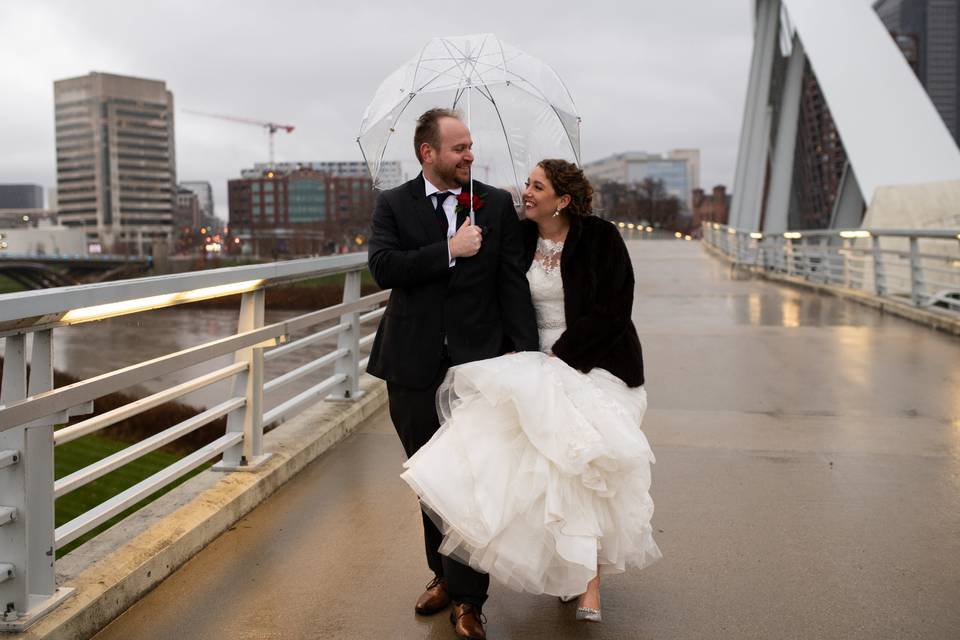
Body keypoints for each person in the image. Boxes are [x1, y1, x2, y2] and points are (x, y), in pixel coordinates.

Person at [401, 159, 661, 625]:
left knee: (579, 464)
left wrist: (563, 356)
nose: (526, 192)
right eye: (527, 183)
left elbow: (615, 308)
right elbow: (497, 296)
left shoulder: (601, 237)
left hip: (594, 361)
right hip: (530, 359)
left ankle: (589, 582)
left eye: (536, 186)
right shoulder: (518, 237)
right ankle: (524, 574)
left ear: (562, 199)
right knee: (512, 467)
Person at [366, 108, 539, 640]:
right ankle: (441, 574)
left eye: (470, 146)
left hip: (477, 366)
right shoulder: (394, 204)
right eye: (458, 147)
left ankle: (469, 600)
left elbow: (512, 283)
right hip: (411, 365)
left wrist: (525, 354)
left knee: (470, 482)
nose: (469, 154)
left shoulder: (495, 205)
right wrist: (449, 249)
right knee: (429, 481)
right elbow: (384, 267)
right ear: (428, 153)